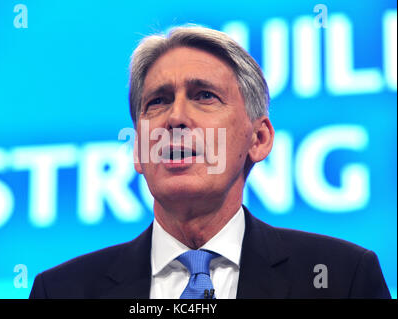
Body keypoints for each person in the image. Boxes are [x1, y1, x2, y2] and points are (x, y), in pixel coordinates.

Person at [29, 26, 391, 299]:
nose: (175, 118)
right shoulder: (60, 290)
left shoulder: (342, 279)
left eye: (204, 96)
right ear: (138, 149)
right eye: (158, 101)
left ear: (258, 138)